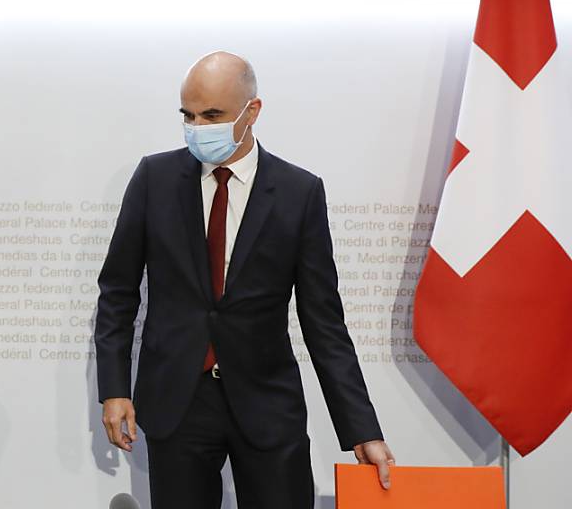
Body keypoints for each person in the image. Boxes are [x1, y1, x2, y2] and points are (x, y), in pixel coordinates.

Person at [94, 52, 393, 509]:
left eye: (212, 115)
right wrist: (114, 389)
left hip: (268, 407)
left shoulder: (299, 193)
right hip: (178, 403)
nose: (197, 127)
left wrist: (361, 428)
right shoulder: (154, 179)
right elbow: (118, 292)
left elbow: (324, 323)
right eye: (188, 116)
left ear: (251, 111)